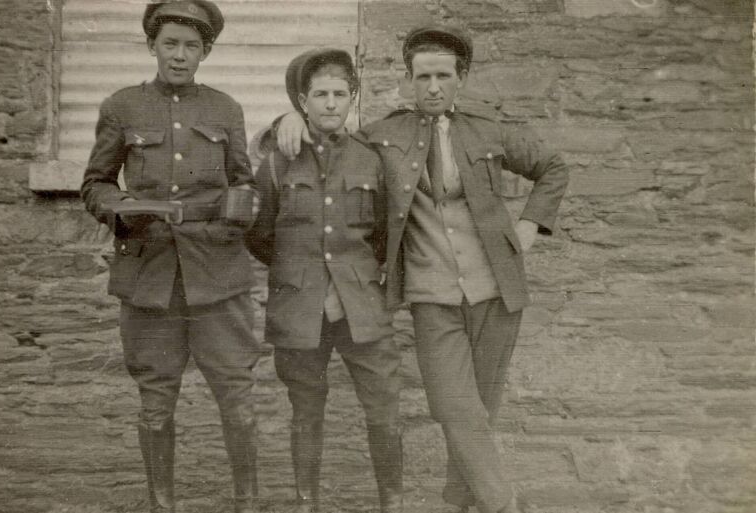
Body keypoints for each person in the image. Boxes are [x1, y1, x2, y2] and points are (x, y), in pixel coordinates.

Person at [275, 26, 569, 513]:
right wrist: (288, 117)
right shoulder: (383, 135)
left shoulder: (488, 130)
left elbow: (553, 167)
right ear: (408, 81)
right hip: (432, 294)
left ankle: (456, 501)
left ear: (461, 78)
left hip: (497, 288)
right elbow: (332, 135)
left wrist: (530, 226)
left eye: (443, 76)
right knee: (452, 405)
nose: (433, 87)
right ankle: (503, 505)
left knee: (480, 409)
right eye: (422, 77)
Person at [80, 2, 260, 511]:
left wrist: (240, 206)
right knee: (156, 405)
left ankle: (247, 502)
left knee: (238, 402)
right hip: (150, 276)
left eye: (191, 47)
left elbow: (243, 179)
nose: (180, 56)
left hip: (218, 275)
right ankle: (163, 505)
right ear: (152, 46)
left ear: (206, 51)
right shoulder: (122, 106)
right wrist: (122, 209)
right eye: (170, 45)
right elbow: (95, 183)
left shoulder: (226, 109)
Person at [245, 49, 403, 513]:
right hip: (300, 308)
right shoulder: (277, 162)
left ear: (352, 98)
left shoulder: (372, 160)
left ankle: (391, 504)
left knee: (385, 412)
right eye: (320, 95)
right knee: (305, 412)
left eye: (340, 94)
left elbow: (382, 235)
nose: (331, 103)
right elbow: (259, 235)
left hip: (362, 308)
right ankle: (305, 504)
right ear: (302, 101)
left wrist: (351, 279)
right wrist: (300, 273)